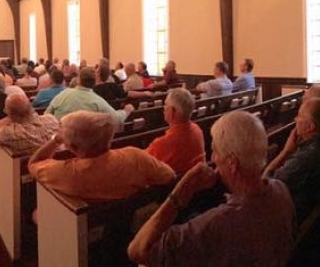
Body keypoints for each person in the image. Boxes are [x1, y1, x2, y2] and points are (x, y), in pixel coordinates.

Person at [128, 112, 295, 267]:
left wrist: (182, 191)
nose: (213, 158)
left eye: (215, 150)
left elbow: (137, 251)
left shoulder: (218, 224)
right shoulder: (280, 189)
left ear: (232, 163)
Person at [28, 111, 175, 200]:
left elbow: (34, 163)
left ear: (73, 147)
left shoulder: (69, 173)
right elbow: (170, 176)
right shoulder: (135, 156)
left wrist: (55, 139)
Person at [267, 98, 320, 224]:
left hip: (296, 218)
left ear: (310, 126)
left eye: (299, 116)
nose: (295, 119)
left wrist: (286, 152)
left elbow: (266, 184)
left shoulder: (305, 157)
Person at [0, 94, 60, 182]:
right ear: (30, 107)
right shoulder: (52, 120)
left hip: (23, 175)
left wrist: (9, 117)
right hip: (54, 169)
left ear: (10, 113)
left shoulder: (12, 133)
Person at [145, 88, 206, 174]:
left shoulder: (162, 144)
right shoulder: (197, 130)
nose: (164, 108)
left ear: (172, 111)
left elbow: (142, 164)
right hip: (196, 182)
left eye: (166, 105)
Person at [46, 67, 133, 122]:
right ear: (95, 82)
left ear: (78, 80)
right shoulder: (97, 100)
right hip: (85, 145)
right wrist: (126, 111)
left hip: (61, 141)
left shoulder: (63, 94)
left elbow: (47, 115)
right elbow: (115, 118)